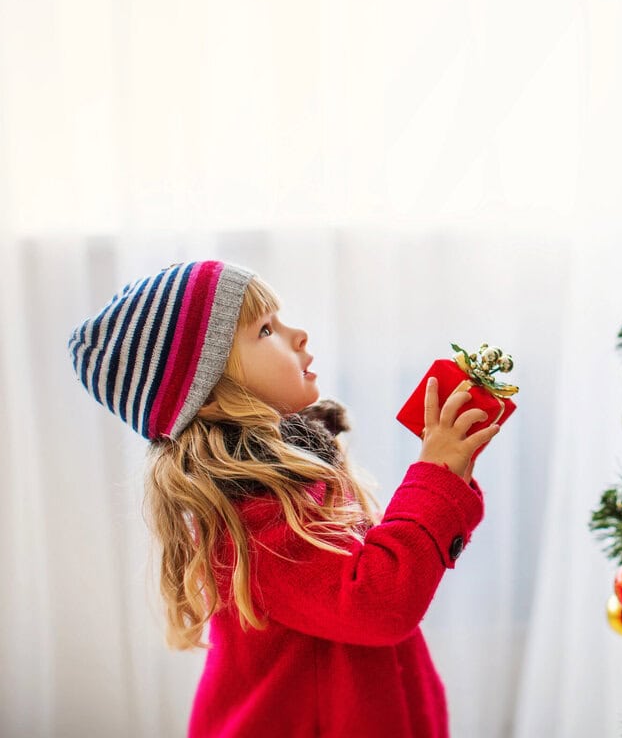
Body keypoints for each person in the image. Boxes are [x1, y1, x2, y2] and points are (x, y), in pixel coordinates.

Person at [68, 259, 499, 737]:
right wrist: (435, 479)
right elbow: (377, 603)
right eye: (266, 330)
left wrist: (448, 476)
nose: (299, 335)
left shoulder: (290, 480)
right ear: (209, 397)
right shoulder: (253, 517)